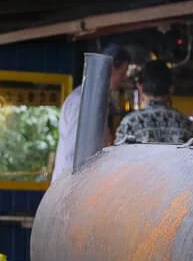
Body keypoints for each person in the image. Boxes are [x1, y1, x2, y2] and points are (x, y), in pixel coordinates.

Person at [51, 45, 132, 180]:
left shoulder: (95, 99)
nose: (123, 80)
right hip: (71, 184)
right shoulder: (83, 101)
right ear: (110, 69)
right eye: (122, 74)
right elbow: (74, 153)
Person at [113, 60, 193, 145]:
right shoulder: (186, 123)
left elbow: (117, 154)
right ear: (171, 89)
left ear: (140, 87)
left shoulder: (130, 123)